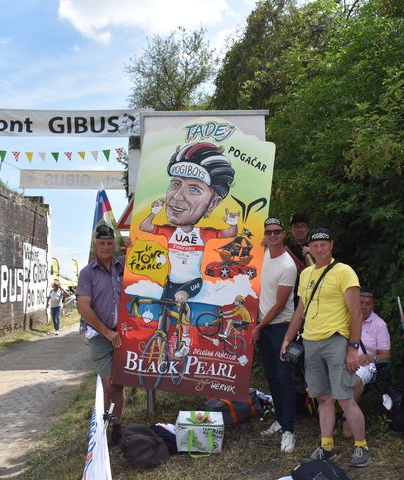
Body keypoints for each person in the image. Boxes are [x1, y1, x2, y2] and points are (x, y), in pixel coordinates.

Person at [280, 227, 370, 467]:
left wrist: (353, 348)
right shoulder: (307, 273)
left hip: (336, 340)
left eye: (323, 244)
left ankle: (361, 446)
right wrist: (287, 339)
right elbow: (300, 311)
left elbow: (356, 312)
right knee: (322, 398)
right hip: (310, 342)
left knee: (345, 397)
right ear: (310, 248)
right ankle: (326, 445)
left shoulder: (344, 272)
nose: (319, 249)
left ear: (331, 245)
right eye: (315, 245)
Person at [140, 142, 240, 357]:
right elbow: (144, 227)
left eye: (194, 189)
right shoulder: (169, 231)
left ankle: (184, 338)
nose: (176, 197)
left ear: (212, 204)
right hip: (171, 280)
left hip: (191, 282)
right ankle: (162, 339)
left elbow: (229, 234)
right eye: (175, 184)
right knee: (163, 313)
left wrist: (232, 222)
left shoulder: (203, 233)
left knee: (181, 299)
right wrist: (153, 212)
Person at [252, 217, 298, 453]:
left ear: (283, 235)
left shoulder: (287, 265)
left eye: (276, 232)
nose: (272, 236)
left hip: (281, 326)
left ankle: (289, 429)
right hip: (264, 326)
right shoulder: (261, 255)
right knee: (271, 375)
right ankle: (280, 420)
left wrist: (259, 327)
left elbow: (280, 304)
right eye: (268, 232)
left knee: (284, 378)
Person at [77, 224, 126, 444]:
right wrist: (106, 332)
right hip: (99, 335)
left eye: (109, 243)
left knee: (119, 384)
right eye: (101, 244)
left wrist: (138, 248)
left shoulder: (123, 265)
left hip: (122, 335)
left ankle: (117, 425)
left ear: (114, 244)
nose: (106, 247)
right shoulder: (88, 273)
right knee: (108, 384)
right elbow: (83, 307)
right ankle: (104, 427)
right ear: (95, 246)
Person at [341, 288, 391, 438]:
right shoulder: (346, 318)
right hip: (343, 360)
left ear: (373, 305)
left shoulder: (379, 324)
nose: (364, 306)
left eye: (368, 304)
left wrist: (371, 357)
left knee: (354, 381)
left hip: (367, 364)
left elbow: (387, 356)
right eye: (361, 302)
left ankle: (346, 418)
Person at [285, 212, 313, 309]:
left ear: (308, 229)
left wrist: (313, 252)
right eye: (296, 226)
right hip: (291, 302)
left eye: (302, 226)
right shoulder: (286, 250)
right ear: (291, 230)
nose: (299, 229)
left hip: (313, 300)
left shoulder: (318, 247)